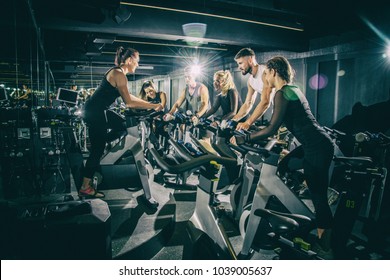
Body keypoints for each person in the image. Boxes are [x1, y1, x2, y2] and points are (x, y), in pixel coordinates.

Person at [230, 56, 335, 259]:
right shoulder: (292, 89)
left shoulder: (281, 93)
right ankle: (299, 200)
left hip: (317, 148)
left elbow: (272, 128)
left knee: (318, 197)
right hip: (315, 144)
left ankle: (325, 246)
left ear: (274, 72)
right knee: (285, 166)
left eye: (266, 74)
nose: (264, 78)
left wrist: (245, 138)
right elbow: (287, 121)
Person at [80, 46, 163, 198]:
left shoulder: (118, 73)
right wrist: (153, 105)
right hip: (95, 112)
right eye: (137, 61)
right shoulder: (119, 74)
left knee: (122, 126)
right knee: (97, 150)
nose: (137, 65)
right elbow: (129, 103)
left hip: (98, 111)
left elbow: (129, 96)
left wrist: (151, 105)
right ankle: (85, 186)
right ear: (130, 60)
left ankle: (100, 142)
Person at [231, 48, 273, 130]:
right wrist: (233, 120)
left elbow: (265, 102)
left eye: (240, 63)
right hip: (279, 110)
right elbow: (248, 104)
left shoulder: (264, 72)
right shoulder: (250, 81)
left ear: (250, 60)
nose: (239, 67)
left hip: (290, 107)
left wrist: (248, 122)